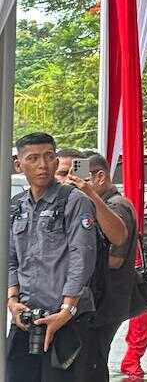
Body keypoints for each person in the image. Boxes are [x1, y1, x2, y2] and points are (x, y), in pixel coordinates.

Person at [7, 133, 98, 381]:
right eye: (33, 158)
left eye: (49, 157)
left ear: (57, 161)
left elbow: (83, 257)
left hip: (66, 317)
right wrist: (12, 300)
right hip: (26, 317)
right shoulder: (16, 205)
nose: (42, 165)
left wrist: (67, 309)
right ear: (19, 165)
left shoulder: (74, 200)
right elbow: (10, 257)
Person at [66, 155, 137, 377]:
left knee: (92, 365)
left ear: (99, 176)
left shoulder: (116, 206)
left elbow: (115, 259)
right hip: (99, 302)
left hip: (105, 302)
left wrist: (77, 261)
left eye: (80, 179)